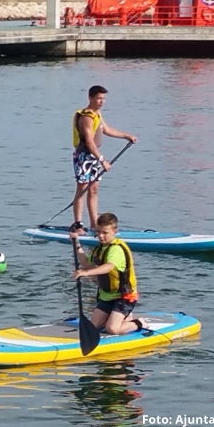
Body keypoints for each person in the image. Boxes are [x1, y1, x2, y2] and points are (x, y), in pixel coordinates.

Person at [71, 85, 137, 233]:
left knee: (93, 190)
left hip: (94, 156)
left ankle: (94, 224)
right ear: (90, 98)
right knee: (82, 188)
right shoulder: (87, 116)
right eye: (99, 98)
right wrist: (102, 161)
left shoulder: (97, 114)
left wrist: (127, 136)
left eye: (103, 99)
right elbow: (89, 142)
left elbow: (106, 130)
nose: (102, 102)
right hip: (84, 156)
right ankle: (78, 225)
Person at [70, 213, 143, 335]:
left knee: (112, 329)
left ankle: (138, 323)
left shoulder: (116, 250)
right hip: (107, 296)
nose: (100, 236)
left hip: (124, 297)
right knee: (93, 327)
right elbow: (87, 264)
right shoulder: (100, 249)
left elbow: (109, 267)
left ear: (115, 231)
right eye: (98, 232)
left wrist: (86, 273)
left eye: (105, 233)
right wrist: (76, 244)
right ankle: (123, 317)